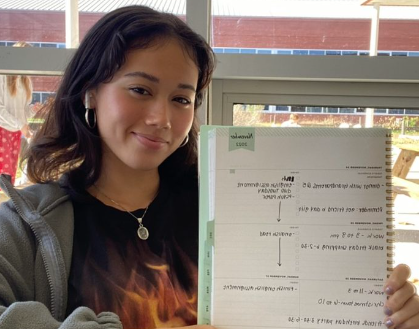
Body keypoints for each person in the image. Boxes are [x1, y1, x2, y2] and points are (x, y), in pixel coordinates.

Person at [0, 5, 417, 329]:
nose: (162, 118)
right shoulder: (24, 229)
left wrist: (386, 312)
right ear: (90, 92)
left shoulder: (234, 209)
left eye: (181, 99)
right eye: (140, 90)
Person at [0, 41, 34, 186]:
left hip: (14, 133)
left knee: (9, 179)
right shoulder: (3, 77)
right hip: (2, 130)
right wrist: (20, 125)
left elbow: (24, 111)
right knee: (4, 177)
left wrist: (34, 110)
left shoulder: (26, 81)